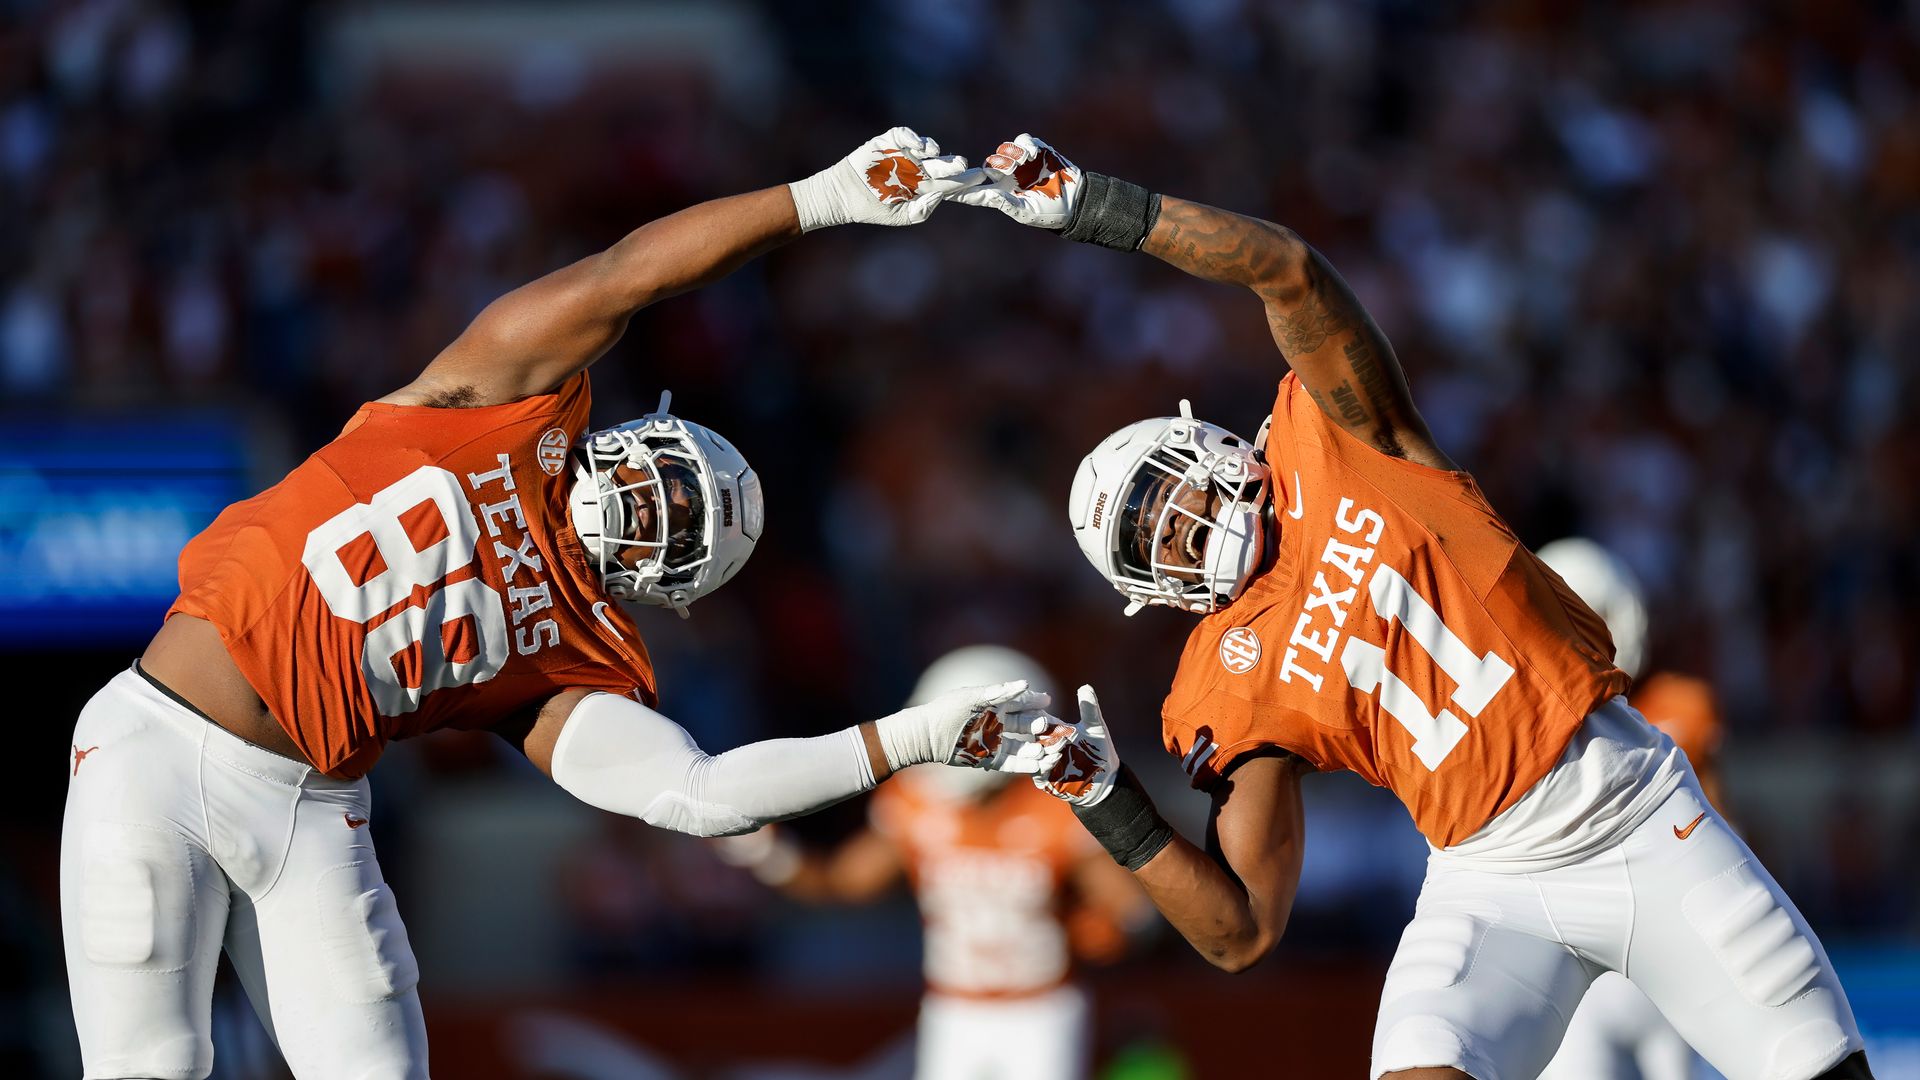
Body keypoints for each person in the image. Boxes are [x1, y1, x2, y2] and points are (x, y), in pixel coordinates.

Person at [60, 128, 1067, 1080]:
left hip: (311, 806)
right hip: (156, 734)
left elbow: (702, 793)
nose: (658, 507)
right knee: (148, 1068)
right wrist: (820, 198)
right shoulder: (496, 403)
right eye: (677, 483)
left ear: (671, 586)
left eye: (684, 521)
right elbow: (628, 273)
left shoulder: (565, 655)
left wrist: (911, 737)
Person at [953, 135, 1873, 1080]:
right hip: (1488, 880)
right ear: (1150, 590)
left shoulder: (1335, 436)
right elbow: (1240, 932)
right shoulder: (1225, 681)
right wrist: (1109, 802)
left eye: (1168, 490)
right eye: (1151, 539)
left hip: (1634, 809)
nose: (1183, 524)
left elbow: (1287, 269)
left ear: (1209, 443)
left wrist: (1095, 206)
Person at [719, 645, 1149, 1080]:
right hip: (954, 1009)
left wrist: (1105, 930)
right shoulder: (916, 802)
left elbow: (1130, 911)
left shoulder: (1056, 810)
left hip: (1042, 1008)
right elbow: (843, 884)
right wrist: (767, 852)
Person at [1534, 537, 1729, 1080]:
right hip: (1583, 968)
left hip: (1669, 956)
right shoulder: (1538, 721)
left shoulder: (1679, 706)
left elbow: (1719, 827)